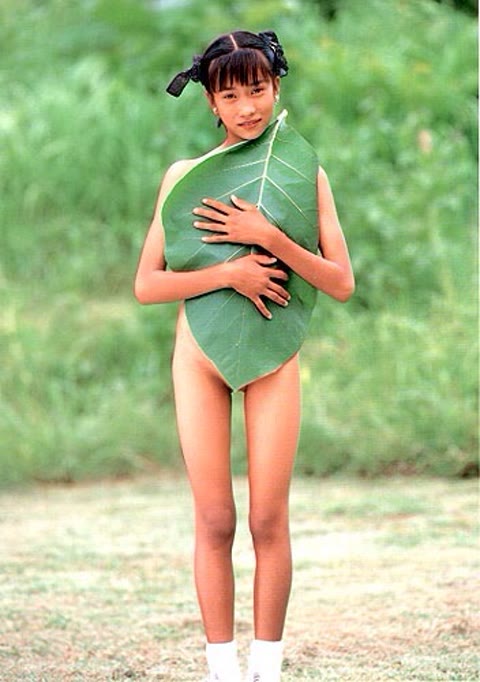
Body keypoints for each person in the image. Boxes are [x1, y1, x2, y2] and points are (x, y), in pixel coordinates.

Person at [134, 29, 354, 682]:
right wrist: (229, 273)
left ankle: (268, 669)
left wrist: (268, 237)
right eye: (229, 96)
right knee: (213, 518)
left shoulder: (304, 172)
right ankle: (221, 672)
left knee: (266, 518)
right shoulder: (184, 177)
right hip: (199, 354)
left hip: (272, 356)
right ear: (210, 102)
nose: (247, 107)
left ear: (276, 87)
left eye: (256, 90)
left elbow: (341, 282)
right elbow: (147, 284)